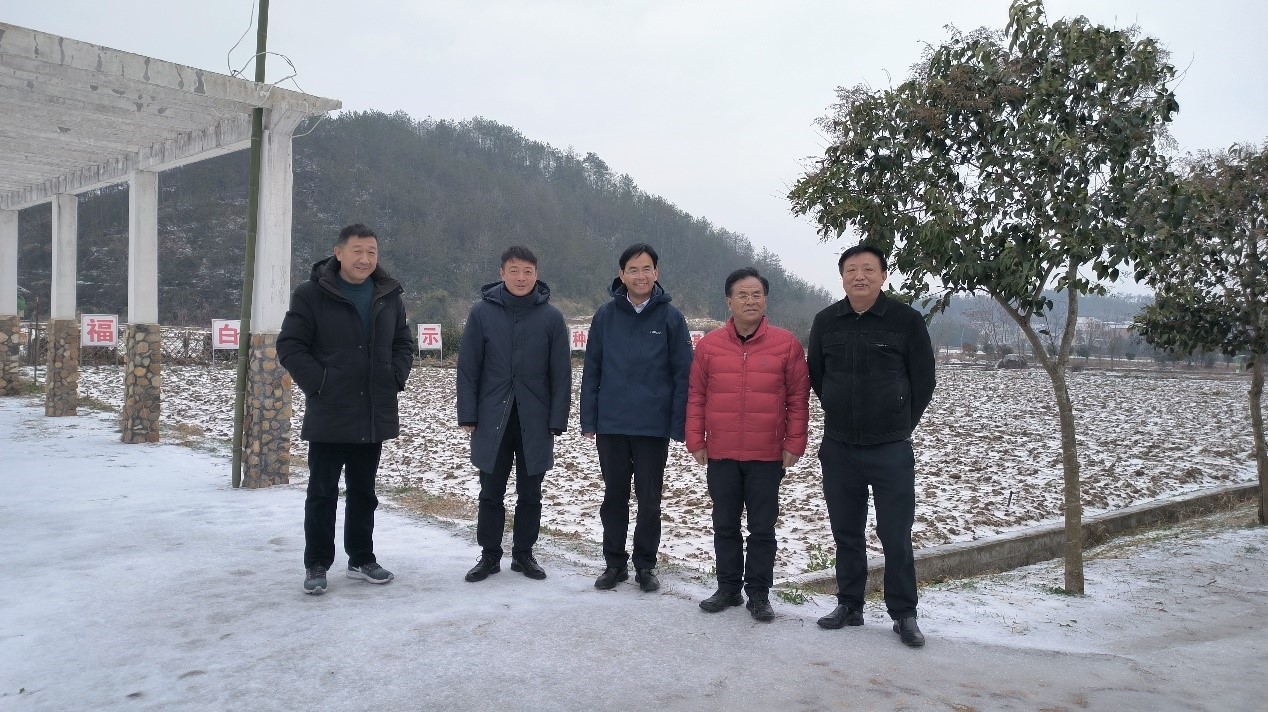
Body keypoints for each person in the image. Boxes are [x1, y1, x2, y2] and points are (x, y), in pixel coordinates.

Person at [807, 243, 936, 647]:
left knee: (895, 533)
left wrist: (900, 424)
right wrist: (841, 412)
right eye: (851, 270)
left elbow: (924, 380)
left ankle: (904, 613)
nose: (859, 276)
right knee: (846, 532)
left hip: (890, 448)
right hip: (839, 446)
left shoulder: (905, 320)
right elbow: (818, 377)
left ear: (883, 276)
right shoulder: (826, 321)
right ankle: (849, 604)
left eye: (868, 269)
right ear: (842, 277)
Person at [278, 223, 414, 595]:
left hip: (372, 409)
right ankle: (317, 563)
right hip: (330, 410)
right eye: (357, 251)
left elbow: (403, 342)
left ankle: (361, 558)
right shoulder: (311, 294)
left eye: (372, 252)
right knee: (322, 492)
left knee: (364, 492)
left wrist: (394, 376)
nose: (365, 259)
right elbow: (290, 345)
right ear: (339, 253)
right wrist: (320, 383)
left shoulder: (388, 294)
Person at [687, 268, 810, 622]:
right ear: (729, 301)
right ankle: (728, 588)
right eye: (742, 295)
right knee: (724, 524)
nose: (750, 301)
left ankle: (758, 592)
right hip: (722, 452)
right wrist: (696, 439)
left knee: (762, 528)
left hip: (766, 454)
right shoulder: (709, 346)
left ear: (766, 300)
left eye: (757, 294)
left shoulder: (786, 344)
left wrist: (794, 443)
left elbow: (798, 399)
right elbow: (696, 395)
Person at [581, 243, 693, 593]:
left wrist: (677, 425)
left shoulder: (671, 318)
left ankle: (645, 564)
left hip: (652, 426)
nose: (640, 275)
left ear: (656, 273)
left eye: (646, 269)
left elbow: (683, 375)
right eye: (633, 269)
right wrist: (589, 419)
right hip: (612, 424)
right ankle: (614, 564)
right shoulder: (605, 316)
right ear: (622, 275)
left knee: (649, 500)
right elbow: (592, 369)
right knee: (614, 497)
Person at [457, 246, 571, 583]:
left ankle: (524, 554)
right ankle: (489, 555)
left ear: (537, 274)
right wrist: (468, 415)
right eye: (514, 271)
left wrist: (557, 419)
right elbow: (468, 368)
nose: (521, 278)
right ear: (502, 273)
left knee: (531, 493)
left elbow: (561, 374)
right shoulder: (482, 313)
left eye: (527, 272)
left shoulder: (551, 317)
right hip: (492, 415)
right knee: (490, 491)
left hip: (535, 418)